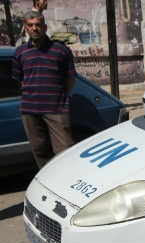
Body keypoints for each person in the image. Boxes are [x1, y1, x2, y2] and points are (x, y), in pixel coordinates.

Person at [12, 10, 76, 169]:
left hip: (56, 110)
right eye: (30, 25)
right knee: (39, 150)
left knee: (65, 150)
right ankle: (50, 182)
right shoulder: (20, 52)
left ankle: (68, 184)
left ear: (45, 27)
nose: (34, 28)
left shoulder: (60, 50)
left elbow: (70, 79)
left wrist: (60, 98)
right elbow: (20, 80)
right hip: (30, 110)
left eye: (38, 25)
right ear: (25, 27)